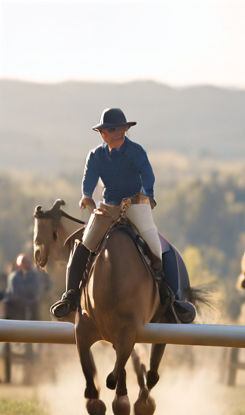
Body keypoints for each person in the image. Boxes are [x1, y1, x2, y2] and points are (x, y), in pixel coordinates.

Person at [50, 108, 189, 321]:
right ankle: (70, 295)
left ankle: (173, 300)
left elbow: (147, 174)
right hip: (108, 207)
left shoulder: (136, 151)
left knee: (158, 246)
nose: (120, 133)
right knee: (84, 245)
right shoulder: (96, 156)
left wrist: (148, 195)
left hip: (135, 203)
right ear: (102, 134)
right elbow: (89, 178)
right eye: (113, 129)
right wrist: (86, 195)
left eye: (122, 128)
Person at [5, 254, 40, 320]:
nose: (25, 264)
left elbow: (35, 289)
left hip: (31, 307)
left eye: (26, 262)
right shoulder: (14, 276)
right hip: (17, 308)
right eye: (23, 262)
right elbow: (15, 292)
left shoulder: (33, 275)